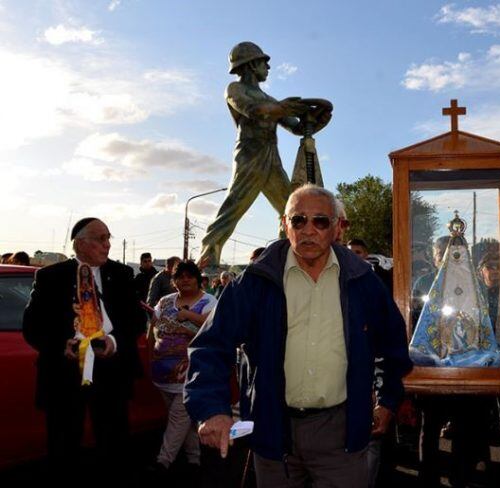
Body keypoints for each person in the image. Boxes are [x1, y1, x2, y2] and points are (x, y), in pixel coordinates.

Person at [184, 184, 412, 487]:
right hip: (273, 430)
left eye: (320, 221)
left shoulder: (364, 282)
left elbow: (392, 346)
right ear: (284, 225)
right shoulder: (255, 282)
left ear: (337, 229)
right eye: (298, 220)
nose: (309, 230)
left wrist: (386, 398)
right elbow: (211, 345)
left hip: (341, 433)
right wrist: (212, 409)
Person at [22, 217, 145, 482]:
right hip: (64, 375)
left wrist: (115, 342)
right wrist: (60, 345)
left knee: (113, 443)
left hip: (111, 372)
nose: (108, 245)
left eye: (108, 238)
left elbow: (135, 321)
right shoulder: (49, 277)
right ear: (80, 243)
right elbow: (32, 327)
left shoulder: (122, 275)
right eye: (101, 239)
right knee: (63, 445)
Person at [198, 42, 331, 266]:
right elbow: (255, 111)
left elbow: (296, 127)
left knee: (291, 209)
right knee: (231, 210)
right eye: (263, 62)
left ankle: (286, 258)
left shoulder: (270, 100)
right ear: (251, 65)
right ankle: (206, 260)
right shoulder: (235, 89)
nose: (268, 67)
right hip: (249, 158)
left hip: (271, 160)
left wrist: (319, 119)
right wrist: (286, 108)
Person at [147, 260, 217, 475]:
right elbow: (153, 329)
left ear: (198, 279)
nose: (185, 280)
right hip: (162, 373)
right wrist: (151, 355)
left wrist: (187, 316)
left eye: (189, 276)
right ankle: (194, 458)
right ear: (173, 281)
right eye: (180, 277)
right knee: (180, 420)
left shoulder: (209, 300)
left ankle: (163, 461)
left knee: (179, 417)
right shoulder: (165, 301)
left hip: (192, 373)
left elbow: (212, 330)